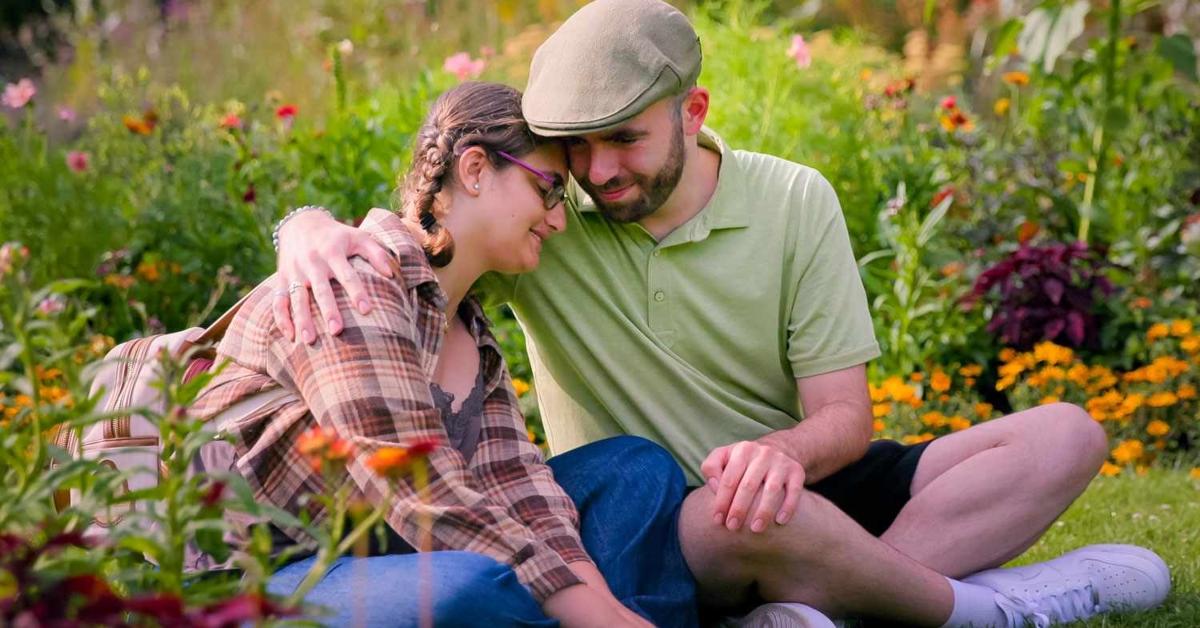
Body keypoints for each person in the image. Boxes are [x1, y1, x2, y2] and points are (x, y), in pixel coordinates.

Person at [270, 1, 1171, 625]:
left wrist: (776, 456)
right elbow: (420, 241)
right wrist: (302, 229)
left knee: (1067, 435)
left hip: (795, 478)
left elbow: (846, 420)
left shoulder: (792, 198)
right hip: (687, 515)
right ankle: (981, 602)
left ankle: (822, 605)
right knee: (755, 514)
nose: (601, 171)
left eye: (626, 138)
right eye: (578, 150)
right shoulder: (550, 222)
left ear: (691, 111)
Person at [189, 81, 697, 628]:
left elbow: (520, 489)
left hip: (381, 546)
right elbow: (419, 494)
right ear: (475, 169)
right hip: (268, 572)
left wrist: (608, 613)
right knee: (468, 587)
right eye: (548, 191)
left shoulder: (471, 332)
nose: (557, 220)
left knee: (634, 471)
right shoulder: (355, 285)